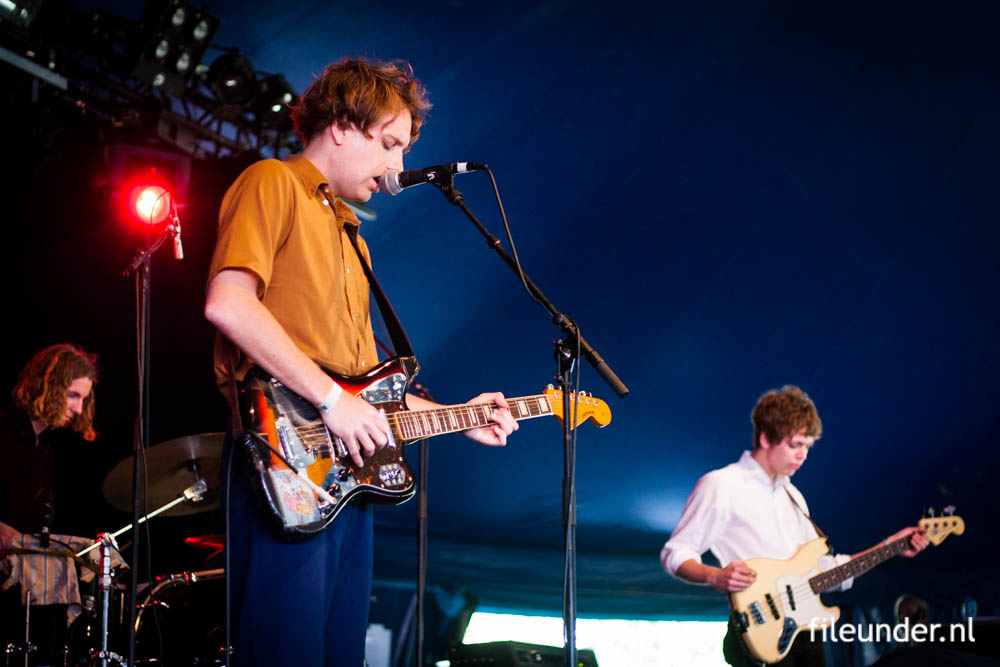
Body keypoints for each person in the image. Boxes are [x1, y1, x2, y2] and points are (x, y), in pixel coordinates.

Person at [204, 57, 518, 666]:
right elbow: (229, 304)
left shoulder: (353, 235)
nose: (396, 167)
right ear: (343, 126)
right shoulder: (272, 181)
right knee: (284, 651)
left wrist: (459, 416)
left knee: (338, 652)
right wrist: (330, 400)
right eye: (389, 144)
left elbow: (366, 393)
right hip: (283, 459)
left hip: (344, 478)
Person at [660, 385, 929, 666]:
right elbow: (676, 551)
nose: (803, 455)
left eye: (807, 446)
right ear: (765, 438)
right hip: (758, 632)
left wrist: (890, 546)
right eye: (795, 445)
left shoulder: (793, 497)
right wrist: (713, 575)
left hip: (804, 633)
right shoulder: (722, 484)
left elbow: (822, 569)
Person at [0, 343, 98, 663]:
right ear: (48, 386)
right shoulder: (3, 432)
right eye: (73, 396)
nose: (79, 409)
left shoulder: (46, 451)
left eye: (83, 399)